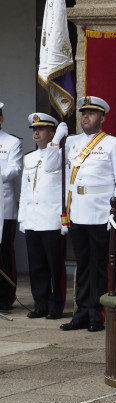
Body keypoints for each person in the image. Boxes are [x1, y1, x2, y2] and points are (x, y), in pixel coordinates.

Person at [44, 96, 116, 332]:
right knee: (82, 265)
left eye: (91, 114)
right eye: (83, 113)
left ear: (102, 117)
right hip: (78, 212)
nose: (85, 117)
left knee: (98, 266)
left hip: (101, 213)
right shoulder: (71, 142)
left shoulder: (113, 144)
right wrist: (56, 141)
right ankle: (80, 313)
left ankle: (96, 314)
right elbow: (51, 167)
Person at [19, 113, 67, 320]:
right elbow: (25, 191)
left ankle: (56, 305)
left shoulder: (60, 154)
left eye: (41, 129)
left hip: (52, 218)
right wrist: (23, 218)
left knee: (55, 266)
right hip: (33, 219)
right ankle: (41, 304)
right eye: (34, 130)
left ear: (51, 133)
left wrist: (65, 218)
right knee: (36, 265)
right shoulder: (29, 158)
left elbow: (55, 171)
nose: (36, 133)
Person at [0, 102, 22, 312]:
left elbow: (14, 169)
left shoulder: (11, 142)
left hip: (4, 209)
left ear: (1, 119)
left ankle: (6, 296)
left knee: (5, 252)